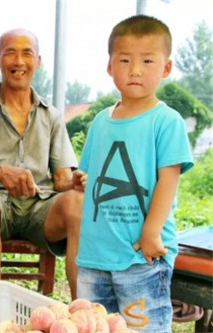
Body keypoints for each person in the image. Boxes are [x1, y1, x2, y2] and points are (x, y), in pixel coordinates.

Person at [75, 15, 194, 333]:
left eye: (147, 61)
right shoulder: (100, 120)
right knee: (95, 327)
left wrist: (151, 232)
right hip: (95, 254)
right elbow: (92, 174)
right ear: (110, 66)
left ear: (166, 68)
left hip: (140, 255)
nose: (135, 70)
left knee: (144, 329)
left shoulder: (166, 121)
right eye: (125, 60)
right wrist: (79, 179)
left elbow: (169, 179)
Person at [0, 28, 84, 300]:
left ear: (38, 61)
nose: (18, 62)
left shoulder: (51, 115)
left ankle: (81, 310)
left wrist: (76, 181)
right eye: (10, 53)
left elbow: (61, 179)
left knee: (77, 201)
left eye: (27, 53)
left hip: (41, 208)